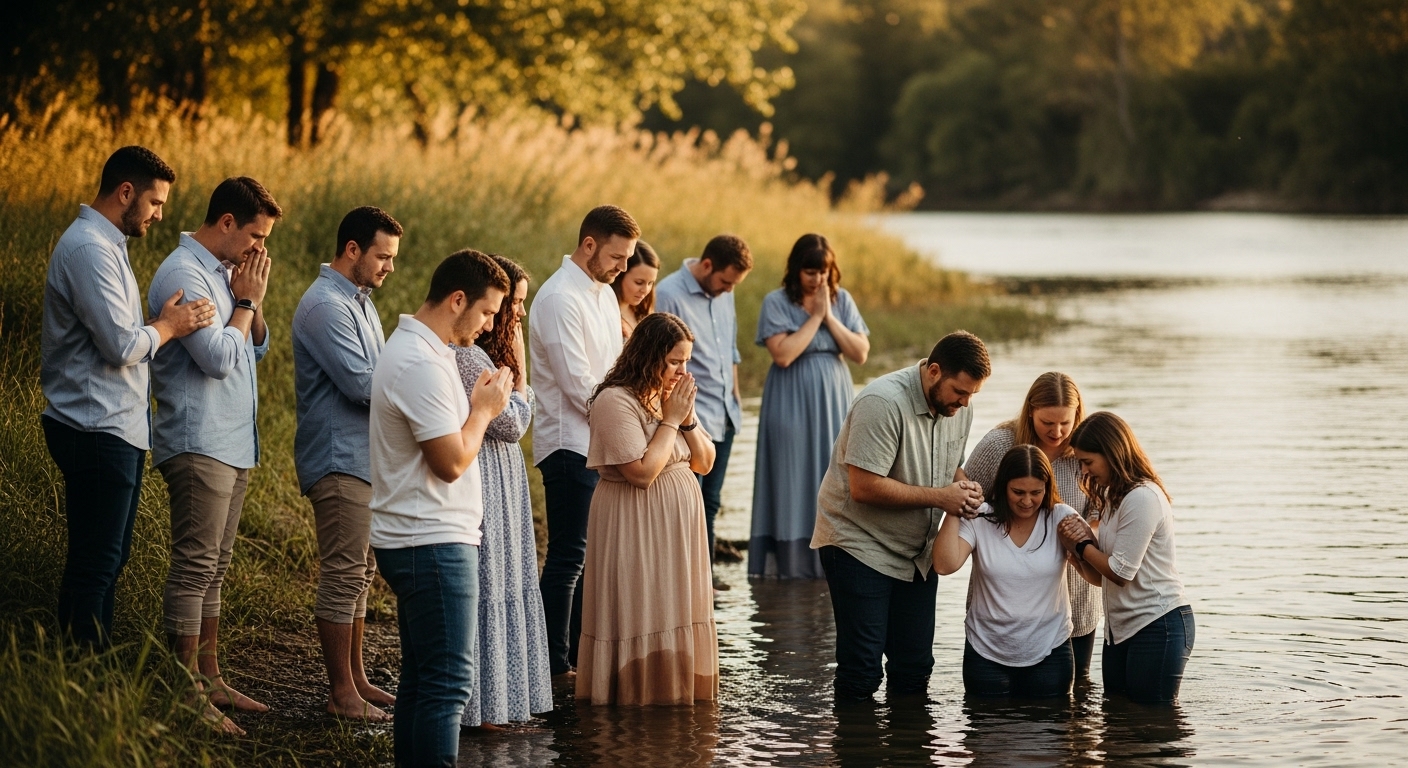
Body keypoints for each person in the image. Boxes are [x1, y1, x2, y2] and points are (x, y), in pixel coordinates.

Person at [41, 146, 215, 648]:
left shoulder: (108, 244)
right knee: (96, 563)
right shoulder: (89, 250)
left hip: (115, 425)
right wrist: (169, 325)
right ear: (125, 193)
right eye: (155, 202)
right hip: (94, 425)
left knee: (108, 559)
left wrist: (156, 326)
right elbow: (120, 345)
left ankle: (88, 675)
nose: (160, 214)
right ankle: (83, 677)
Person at [147, 176, 282, 734]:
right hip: (198, 439)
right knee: (195, 566)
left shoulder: (223, 273)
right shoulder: (184, 273)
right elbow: (221, 358)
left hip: (231, 441)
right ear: (226, 223)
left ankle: (210, 677)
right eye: (255, 235)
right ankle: (182, 693)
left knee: (216, 570)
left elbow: (257, 345)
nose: (260, 249)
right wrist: (245, 302)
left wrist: (250, 303)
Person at [369, 250, 514, 766]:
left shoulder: (428, 353)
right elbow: (451, 461)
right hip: (428, 540)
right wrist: (484, 411)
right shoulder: (418, 363)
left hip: (422, 535)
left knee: (423, 681)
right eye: (488, 312)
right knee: (449, 685)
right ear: (457, 300)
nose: (492, 324)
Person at [812, 330, 990, 702]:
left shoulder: (958, 406)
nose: (966, 401)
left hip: (915, 554)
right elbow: (864, 487)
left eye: (972, 393)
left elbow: (949, 465)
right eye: (960, 391)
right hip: (857, 543)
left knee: (914, 669)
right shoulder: (882, 402)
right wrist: (943, 499)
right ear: (934, 371)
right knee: (861, 671)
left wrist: (964, 487)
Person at [292, 206, 403, 721]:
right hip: (339, 459)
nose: (389, 268)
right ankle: (341, 694)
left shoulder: (360, 302)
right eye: (382, 256)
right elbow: (363, 384)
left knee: (360, 571)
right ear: (352, 250)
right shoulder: (324, 306)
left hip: (365, 458)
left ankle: (356, 680)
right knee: (342, 573)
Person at [576, 313, 719, 705]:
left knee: (677, 605)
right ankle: (636, 693)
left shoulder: (669, 398)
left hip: (677, 526)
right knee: (642, 603)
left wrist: (686, 421)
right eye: (674, 361)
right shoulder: (613, 400)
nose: (682, 370)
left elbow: (704, 462)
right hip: (633, 519)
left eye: (687, 361)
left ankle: (677, 692)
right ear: (648, 355)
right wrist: (671, 422)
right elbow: (641, 472)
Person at [530, 204, 638, 677]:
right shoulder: (558, 299)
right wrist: (624, 427)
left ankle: (576, 655)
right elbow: (579, 386)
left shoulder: (603, 295)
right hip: (569, 442)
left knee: (592, 558)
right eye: (617, 257)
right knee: (569, 555)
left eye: (627, 259)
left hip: (602, 441)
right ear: (589, 244)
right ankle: (552, 663)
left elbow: (614, 372)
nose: (623, 268)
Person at [453, 256, 554, 729]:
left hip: (503, 476)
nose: (515, 316)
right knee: (493, 580)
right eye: (512, 305)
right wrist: (524, 368)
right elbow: (512, 423)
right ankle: (482, 706)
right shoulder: (472, 357)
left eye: (519, 307)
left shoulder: (489, 357)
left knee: (510, 577)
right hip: (486, 477)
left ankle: (505, 699)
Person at [962, 372, 1099, 678]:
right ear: (1030, 411)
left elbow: (1101, 509)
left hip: (1074, 595)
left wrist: (1087, 533)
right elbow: (966, 491)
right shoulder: (1000, 445)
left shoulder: (1084, 453)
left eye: (1066, 422)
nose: (1058, 431)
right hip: (1001, 602)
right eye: (1048, 423)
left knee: (1074, 699)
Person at [750, 233, 870, 579]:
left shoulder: (841, 300)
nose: (818, 279)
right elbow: (783, 355)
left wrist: (829, 316)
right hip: (789, 399)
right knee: (791, 474)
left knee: (833, 473)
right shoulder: (775, 302)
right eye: (810, 272)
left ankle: (835, 557)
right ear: (796, 270)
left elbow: (860, 353)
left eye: (824, 271)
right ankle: (790, 565)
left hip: (833, 399)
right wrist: (815, 318)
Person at [1058, 412, 1194, 705]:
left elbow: (1121, 572)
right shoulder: (1111, 497)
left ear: (1111, 453)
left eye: (1088, 462)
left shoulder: (1142, 497)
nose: (1083, 471)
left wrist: (1083, 545)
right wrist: (1079, 556)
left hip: (1159, 624)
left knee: (1150, 724)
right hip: (1121, 629)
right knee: (1117, 718)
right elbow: (1102, 578)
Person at [934, 445, 1080, 698]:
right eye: (1018, 492)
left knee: (1050, 734)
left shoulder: (1061, 518)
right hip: (986, 651)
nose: (1027, 501)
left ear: (1047, 488)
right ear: (1003, 486)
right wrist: (953, 508)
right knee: (987, 733)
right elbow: (945, 565)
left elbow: (1096, 577)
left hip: (1050, 650)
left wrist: (1083, 549)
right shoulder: (980, 518)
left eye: (1036, 492)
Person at [654, 235, 753, 591]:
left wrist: (736, 398)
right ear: (708, 265)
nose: (728, 290)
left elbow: (731, 349)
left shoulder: (724, 294)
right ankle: (684, 582)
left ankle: (703, 578)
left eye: (734, 286)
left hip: (724, 413)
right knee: (687, 502)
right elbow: (661, 358)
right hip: (691, 414)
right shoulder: (668, 294)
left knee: (710, 502)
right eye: (726, 282)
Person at [611, 239, 660, 339]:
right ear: (619, 276)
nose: (645, 290)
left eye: (650, 283)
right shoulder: (606, 313)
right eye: (639, 282)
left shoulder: (643, 314)